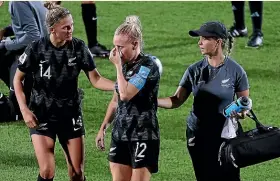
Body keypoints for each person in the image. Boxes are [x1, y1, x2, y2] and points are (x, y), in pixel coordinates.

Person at [13, 3, 115, 181]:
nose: (71, 30)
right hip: (42, 114)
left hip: (70, 114)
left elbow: (96, 79)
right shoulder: (36, 48)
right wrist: (24, 109)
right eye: (66, 27)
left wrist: (118, 86)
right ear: (53, 30)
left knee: (77, 173)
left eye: (72, 25)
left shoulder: (79, 48)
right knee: (47, 171)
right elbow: (17, 79)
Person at [157, 21, 250, 181]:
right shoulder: (194, 70)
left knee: (230, 177)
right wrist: (152, 101)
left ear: (218, 42)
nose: (199, 43)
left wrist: (241, 113)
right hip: (198, 133)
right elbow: (177, 100)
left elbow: (244, 105)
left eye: (204, 39)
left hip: (225, 135)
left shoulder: (236, 71)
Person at [95, 15, 161, 181]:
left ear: (135, 44)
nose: (116, 52)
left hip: (143, 135)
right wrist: (103, 127)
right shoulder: (125, 66)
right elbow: (116, 100)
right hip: (120, 134)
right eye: (114, 46)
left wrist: (117, 66)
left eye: (120, 47)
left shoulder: (147, 66)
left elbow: (125, 94)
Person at [0, 1, 48, 121]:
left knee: (11, 112)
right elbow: (30, 25)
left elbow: (33, 37)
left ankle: (19, 101)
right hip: (47, 59)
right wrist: (6, 31)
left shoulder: (17, 2)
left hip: (36, 59)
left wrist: (5, 44)